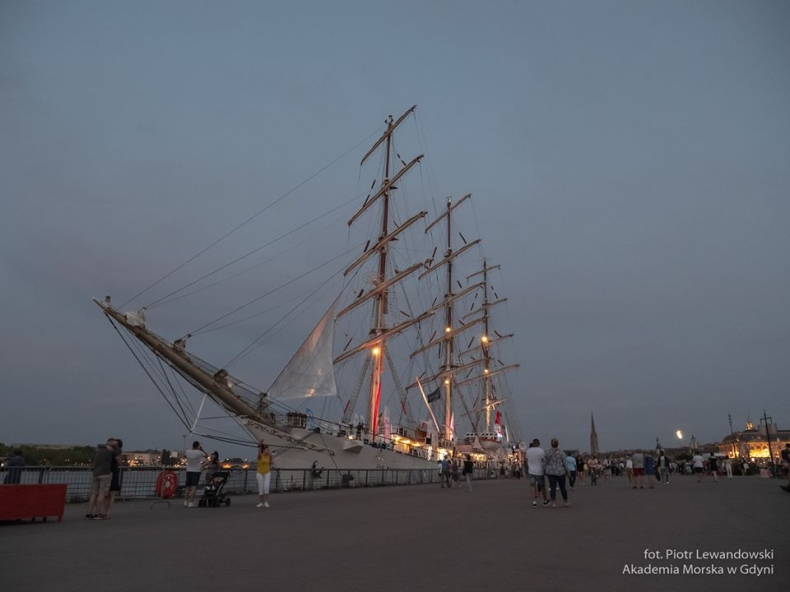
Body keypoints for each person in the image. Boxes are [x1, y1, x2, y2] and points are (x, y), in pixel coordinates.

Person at [86, 438, 121, 520]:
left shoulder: (100, 449)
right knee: (102, 493)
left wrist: (105, 445)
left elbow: (98, 444)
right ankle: (98, 513)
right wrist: (113, 446)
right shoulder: (113, 450)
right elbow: (119, 455)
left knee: (94, 493)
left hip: (96, 473)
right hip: (105, 473)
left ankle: (89, 513)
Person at [542, 438, 570, 508]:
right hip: (560, 472)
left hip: (551, 472)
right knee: (562, 487)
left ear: (551, 444)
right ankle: (566, 501)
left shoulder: (547, 452)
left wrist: (543, 470)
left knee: (552, 487)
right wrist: (567, 470)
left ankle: (553, 502)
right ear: (558, 444)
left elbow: (544, 462)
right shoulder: (561, 452)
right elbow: (564, 463)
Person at [525, 439, 549, 508]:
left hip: (531, 471)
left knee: (532, 486)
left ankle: (534, 502)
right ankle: (545, 500)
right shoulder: (541, 450)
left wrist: (529, 466)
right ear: (538, 443)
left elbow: (526, 460)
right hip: (539, 471)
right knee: (542, 486)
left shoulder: (528, 451)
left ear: (533, 443)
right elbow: (543, 460)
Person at [184, 440, 207, 507]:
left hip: (188, 470)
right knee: (194, 488)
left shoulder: (188, 451)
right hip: (196, 471)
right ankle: (191, 503)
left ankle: (185, 501)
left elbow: (186, 456)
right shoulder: (199, 452)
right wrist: (202, 449)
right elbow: (206, 455)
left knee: (187, 487)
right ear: (198, 446)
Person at [106, 438, 123, 518]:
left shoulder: (109, 451)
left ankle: (104, 511)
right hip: (112, 472)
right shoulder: (116, 452)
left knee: (107, 493)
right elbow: (120, 462)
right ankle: (107, 512)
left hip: (108, 472)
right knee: (111, 494)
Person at [256, 440, 273, 508]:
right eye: (266, 449)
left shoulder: (269, 456)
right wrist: (260, 446)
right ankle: (261, 502)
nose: (267, 450)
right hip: (259, 473)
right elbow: (259, 452)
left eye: (267, 449)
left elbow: (270, 463)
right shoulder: (260, 456)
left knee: (266, 487)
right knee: (261, 488)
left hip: (267, 473)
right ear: (263, 450)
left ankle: (266, 502)